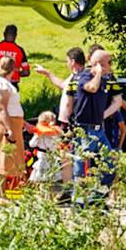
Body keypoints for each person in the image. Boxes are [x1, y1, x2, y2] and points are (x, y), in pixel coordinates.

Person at [64, 48, 124, 204]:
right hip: (85, 129)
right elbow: (91, 88)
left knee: (111, 164)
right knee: (81, 168)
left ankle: (97, 196)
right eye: (107, 63)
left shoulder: (107, 79)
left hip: (100, 129)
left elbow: (118, 101)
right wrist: (97, 72)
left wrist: (102, 115)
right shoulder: (84, 76)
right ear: (99, 64)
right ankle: (79, 203)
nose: (110, 66)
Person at [33, 46, 86, 183]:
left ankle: (70, 187)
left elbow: (72, 102)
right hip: (65, 123)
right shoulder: (74, 77)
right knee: (66, 157)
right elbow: (63, 85)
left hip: (69, 123)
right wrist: (48, 73)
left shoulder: (79, 77)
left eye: (68, 61)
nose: (67, 64)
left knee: (67, 158)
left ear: (73, 61)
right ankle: (70, 186)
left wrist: (66, 122)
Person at [0, 55, 29, 197]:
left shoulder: (3, 82)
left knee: (7, 161)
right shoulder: (2, 85)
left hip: (11, 123)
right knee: (1, 162)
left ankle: (3, 195)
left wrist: (24, 124)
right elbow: (2, 108)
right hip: (3, 125)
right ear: (14, 69)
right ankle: (0, 196)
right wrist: (10, 129)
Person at [27, 111, 64, 184]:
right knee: (51, 179)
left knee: (40, 179)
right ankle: (48, 193)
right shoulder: (56, 133)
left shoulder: (40, 132)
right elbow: (58, 145)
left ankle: (42, 193)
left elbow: (31, 144)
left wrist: (37, 136)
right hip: (51, 159)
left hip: (43, 159)